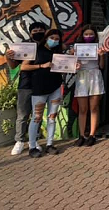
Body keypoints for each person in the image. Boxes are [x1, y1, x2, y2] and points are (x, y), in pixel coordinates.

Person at [21, 29, 66, 158]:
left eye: (57, 39)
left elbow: (64, 67)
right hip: (39, 88)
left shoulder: (58, 53)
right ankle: (32, 146)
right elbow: (24, 67)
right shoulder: (36, 50)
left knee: (52, 117)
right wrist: (41, 66)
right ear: (46, 37)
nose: (54, 41)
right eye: (52, 38)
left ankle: (50, 144)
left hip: (55, 87)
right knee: (36, 117)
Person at [4, 22, 47, 155]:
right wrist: (8, 57)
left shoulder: (47, 46)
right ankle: (20, 141)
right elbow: (13, 65)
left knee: (37, 115)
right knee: (22, 114)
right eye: (35, 30)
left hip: (41, 85)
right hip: (26, 84)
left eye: (41, 30)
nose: (38, 32)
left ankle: (34, 141)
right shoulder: (24, 46)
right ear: (30, 33)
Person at [73, 25, 106, 147]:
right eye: (86, 34)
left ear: (95, 35)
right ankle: (82, 135)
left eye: (91, 34)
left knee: (94, 107)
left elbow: (102, 66)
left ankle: (92, 135)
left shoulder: (98, 47)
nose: (88, 36)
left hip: (95, 75)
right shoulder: (77, 48)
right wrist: (74, 58)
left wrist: (101, 55)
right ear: (82, 35)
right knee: (82, 108)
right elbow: (72, 66)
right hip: (82, 76)